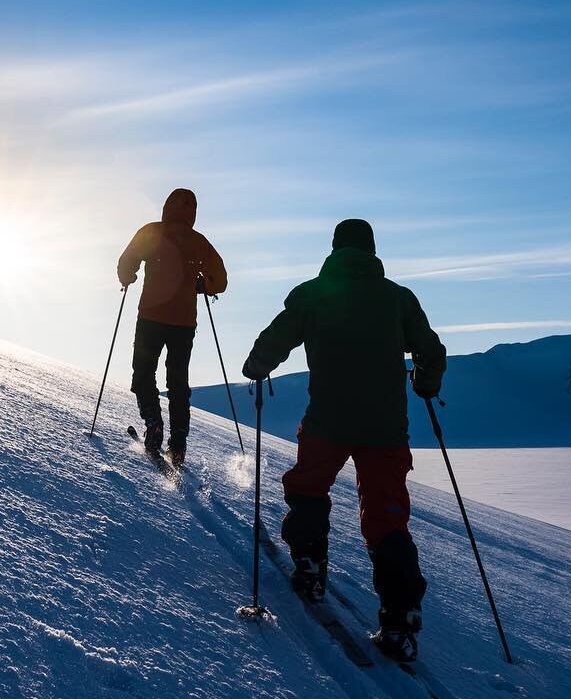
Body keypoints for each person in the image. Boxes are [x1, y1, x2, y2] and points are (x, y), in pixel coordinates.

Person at [241, 218, 446, 662]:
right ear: (371, 250)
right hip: (385, 428)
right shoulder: (398, 298)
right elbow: (431, 352)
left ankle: (310, 563)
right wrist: (426, 384)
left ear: (334, 249)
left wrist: (258, 363)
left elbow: (277, 336)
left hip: (327, 421)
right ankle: (400, 616)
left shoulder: (313, 294)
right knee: (387, 517)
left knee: (308, 488)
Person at [117, 188, 227, 466]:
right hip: (184, 323)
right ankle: (178, 444)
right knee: (178, 382)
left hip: (151, 317)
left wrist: (128, 275)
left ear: (167, 207)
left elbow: (126, 261)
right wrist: (203, 285)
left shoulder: (152, 232)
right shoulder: (199, 242)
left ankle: (153, 421)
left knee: (143, 372)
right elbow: (221, 280)